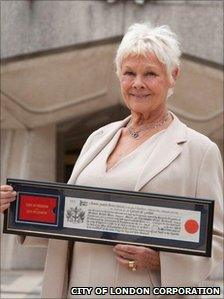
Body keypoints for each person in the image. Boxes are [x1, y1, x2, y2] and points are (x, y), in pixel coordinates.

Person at [0, 23, 223, 299]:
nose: (138, 83)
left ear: (173, 76)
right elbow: (74, 217)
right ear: (120, 76)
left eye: (150, 74)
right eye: (129, 73)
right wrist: (17, 209)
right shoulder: (98, 138)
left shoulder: (200, 150)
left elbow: (216, 240)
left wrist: (159, 259)